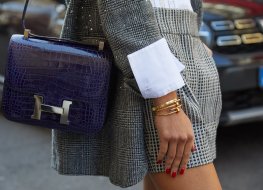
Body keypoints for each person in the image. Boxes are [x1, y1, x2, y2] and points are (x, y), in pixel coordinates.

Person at [51, 0, 223, 189]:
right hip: (154, 67)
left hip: (184, 52)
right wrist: (167, 105)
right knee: (180, 162)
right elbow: (125, 10)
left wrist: (191, 36)